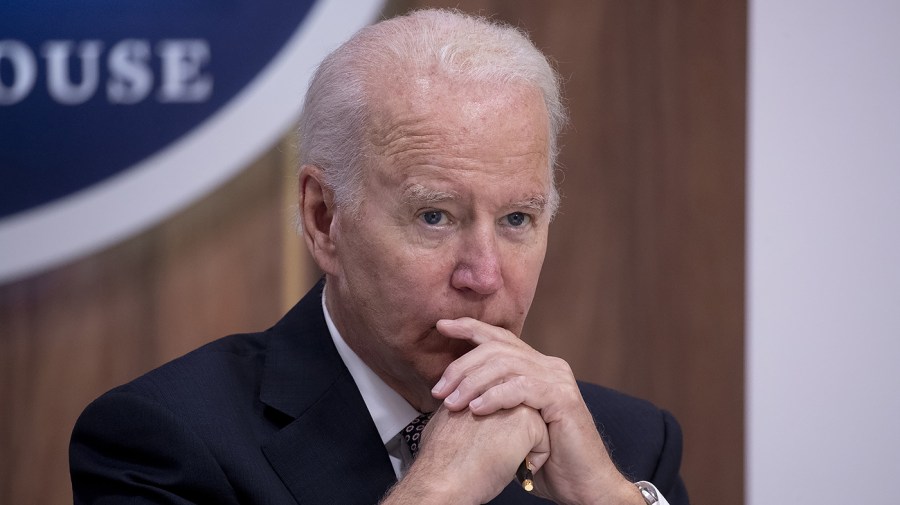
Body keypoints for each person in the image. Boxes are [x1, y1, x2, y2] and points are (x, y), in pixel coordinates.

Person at [70, 9, 689, 505]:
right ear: (324, 219)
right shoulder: (166, 442)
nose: (485, 275)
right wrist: (437, 492)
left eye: (517, 219)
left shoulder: (629, 445)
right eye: (434, 216)